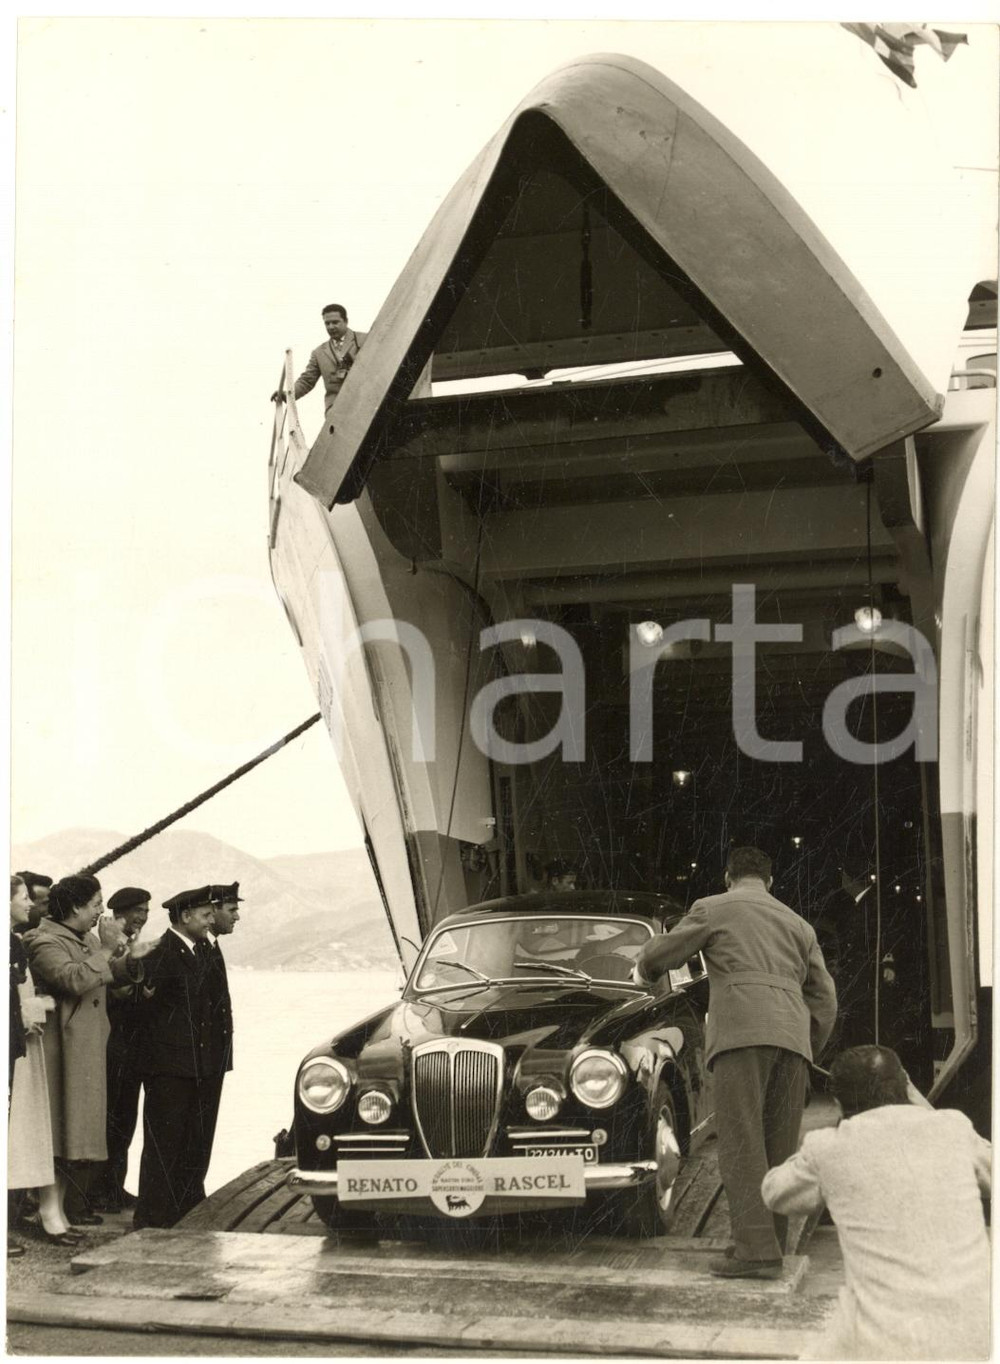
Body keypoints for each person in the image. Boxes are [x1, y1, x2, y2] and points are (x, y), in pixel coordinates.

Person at [633, 845, 837, 1279]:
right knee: (779, 1147)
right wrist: (806, 1043)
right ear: (771, 881)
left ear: (728, 876)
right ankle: (771, 1246)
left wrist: (644, 970)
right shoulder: (799, 925)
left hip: (742, 1034)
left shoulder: (713, 907)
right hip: (792, 1040)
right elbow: (826, 998)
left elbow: (660, 955)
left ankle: (755, 1250)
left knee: (742, 1142)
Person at [762, 1046, 990, 1359]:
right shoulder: (954, 1128)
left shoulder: (829, 1148)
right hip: (977, 1336)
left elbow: (774, 1191)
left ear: (839, 1103)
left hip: (884, 1344)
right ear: (906, 1087)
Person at [22, 875, 139, 1231]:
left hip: (86, 1051)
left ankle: (57, 1210)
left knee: (75, 1138)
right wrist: (105, 951)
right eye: (95, 904)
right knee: (58, 1137)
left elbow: (103, 978)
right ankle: (47, 1212)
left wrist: (131, 959)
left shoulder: (86, 938)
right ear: (74, 907)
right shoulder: (42, 940)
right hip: (60, 1055)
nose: (101, 911)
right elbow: (72, 979)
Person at [134, 886, 233, 1230]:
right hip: (170, 1068)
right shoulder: (161, 953)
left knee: (194, 1141)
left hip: (201, 1065)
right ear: (186, 916)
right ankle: (153, 1216)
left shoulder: (201, 950)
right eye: (206, 916)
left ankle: (188, 1207)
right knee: (165, 1144)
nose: (210, 921)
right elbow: (146, 1012)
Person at [8, 876, 80, 1252]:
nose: (30, 905)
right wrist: (39, 1007)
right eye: (22, 898)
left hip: (19, 1047)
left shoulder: (16, 943)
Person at [92, 887, 151, 1213]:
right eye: (138, 911)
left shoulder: (129, 942)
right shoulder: (109, 943)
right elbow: (104, 987)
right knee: (112, 1119)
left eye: (145, 911)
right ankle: (101, 1190)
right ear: (121, 913)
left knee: (124, 1119)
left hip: (129, 1045)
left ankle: (115, 1186)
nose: (142, 917)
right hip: (111, 1043)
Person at [271, 303, 367, 417]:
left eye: (335, 322)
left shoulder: (365, 339)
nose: (331, 327)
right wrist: (288, 394)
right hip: (337, 410)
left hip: (366, 401)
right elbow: (307, 380)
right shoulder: (319, 353)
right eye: (327, 323)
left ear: (346, 321)